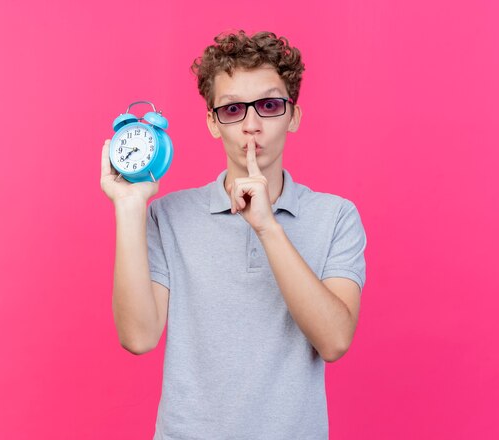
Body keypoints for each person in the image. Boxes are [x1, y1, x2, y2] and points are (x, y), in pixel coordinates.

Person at [100, 30, 367, 440]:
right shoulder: (169, 216)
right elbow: (138, 337)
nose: (251, 125)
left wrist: (267, 226)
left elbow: (334, 341)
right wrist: (130, 207)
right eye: (232, 110)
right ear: (212, 122)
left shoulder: (335, 216)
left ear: (293, 115)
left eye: (269, 105)